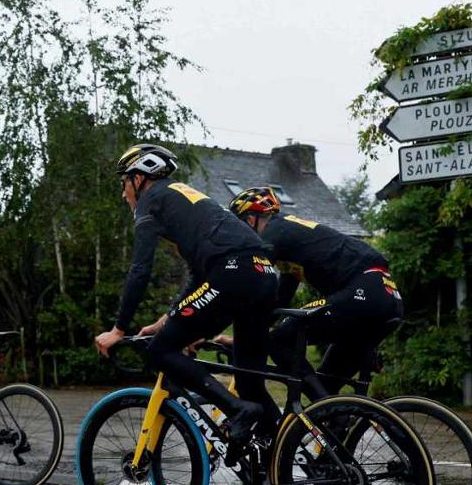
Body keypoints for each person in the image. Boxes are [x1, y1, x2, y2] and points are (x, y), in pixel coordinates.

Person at [93, 144, 280, 448]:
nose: (123, 192)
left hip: (231, 272)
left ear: (139, 178)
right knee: (250, 382)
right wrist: (168, 318)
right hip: (263, 274)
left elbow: (140, 269)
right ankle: (282, 457)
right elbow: (198, 275)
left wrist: (119, 329)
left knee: (159, 351)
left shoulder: (151, 201)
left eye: (123, 182)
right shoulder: (184, 199)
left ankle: (236, 410)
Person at [228, 186, 403, 397]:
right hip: (386, 296)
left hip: (363, 290)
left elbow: (251, 282)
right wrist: (245, 337)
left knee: (278, 341)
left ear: (250, 220)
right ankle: (332, 420)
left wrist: (207, 325)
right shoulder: (288, 240)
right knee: (324, 385)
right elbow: (274, 305)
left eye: (239, 227)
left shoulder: (273, 232)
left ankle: (324, 409)